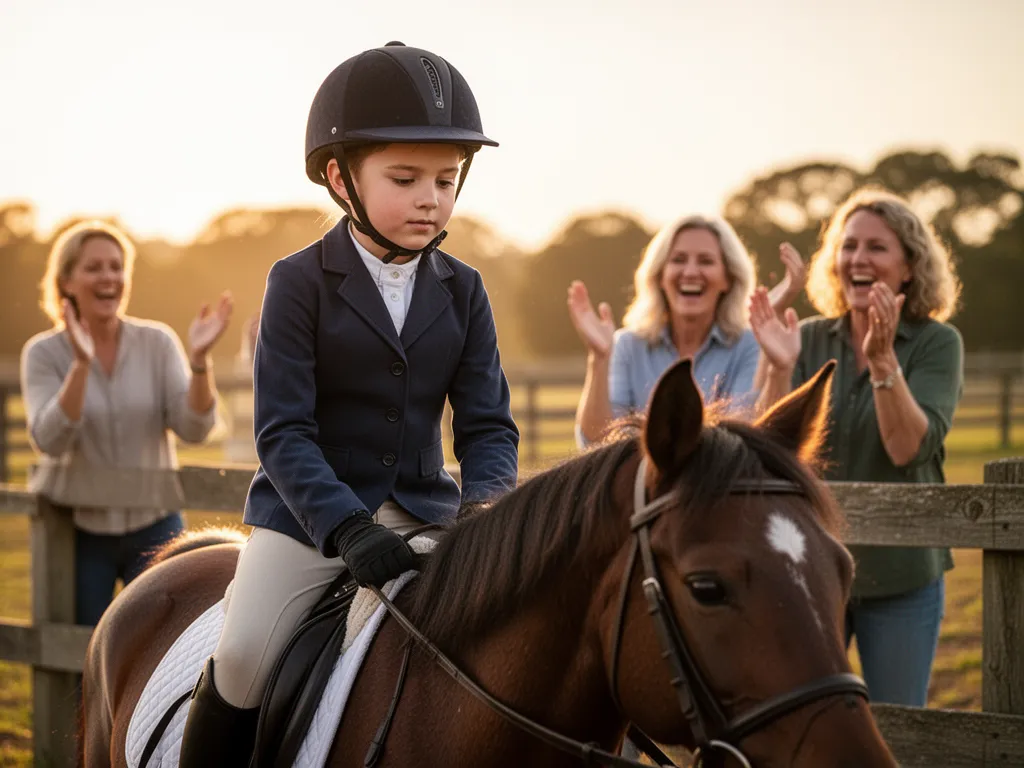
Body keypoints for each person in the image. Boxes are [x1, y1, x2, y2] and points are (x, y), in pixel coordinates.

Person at [177, 42, 520, 767]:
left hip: (429, 513)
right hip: (308, 519)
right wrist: (348, 527)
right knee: (240, 657)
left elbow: (488, 427)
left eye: (447, 179)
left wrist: (487, 516)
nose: (431, 198)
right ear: (340, 177)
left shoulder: (464, 290)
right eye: (406, 178)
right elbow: (284, 432)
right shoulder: (297, 281)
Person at [749, 186, 963, 706]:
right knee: (801, 722)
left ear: (909, 267)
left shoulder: (938, 344)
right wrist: (779, 367)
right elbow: (765, 447)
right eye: (848, 247)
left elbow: (907, 450)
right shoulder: (809, 337)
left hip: (902, 579)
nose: (858, 259)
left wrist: (885, 361)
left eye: (876, 247)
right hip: (812, 572)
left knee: (893, 725)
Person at [20, 220, 232, 626]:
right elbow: (50, 440)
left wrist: (200, 363)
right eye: (94, 267)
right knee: (83, 653)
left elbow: (194, 429)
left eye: (117, 267)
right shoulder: (43, 353)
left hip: (156, 524)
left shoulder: (157, 342)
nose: (109, 277)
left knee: (160, 647)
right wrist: (81, 365)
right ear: (66, 280)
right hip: (78, 530)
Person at [568, 214, 805, 446]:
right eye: (678, 260)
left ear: (728, 279)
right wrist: (598, 359)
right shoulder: (627, 344)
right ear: (660, 276)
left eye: (706, 261)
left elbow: (742, 440)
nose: (690, 272)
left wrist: (778, 368)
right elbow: (594, 442)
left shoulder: (749, 344)